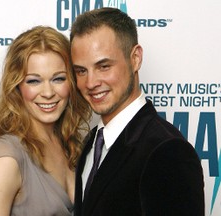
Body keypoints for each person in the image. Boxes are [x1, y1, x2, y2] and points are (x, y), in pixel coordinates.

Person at [70, 7, 205, 216]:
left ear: (135, 58)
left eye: (104, 66)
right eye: (81, 71)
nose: (91, 82)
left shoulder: (167, 151)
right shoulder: (91, 143)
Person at [0, 26, 91, 216]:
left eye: (59, 79)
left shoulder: (72, 145)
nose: (48, 93)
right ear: (16, 86)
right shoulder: (6, 157)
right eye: (34, 81)